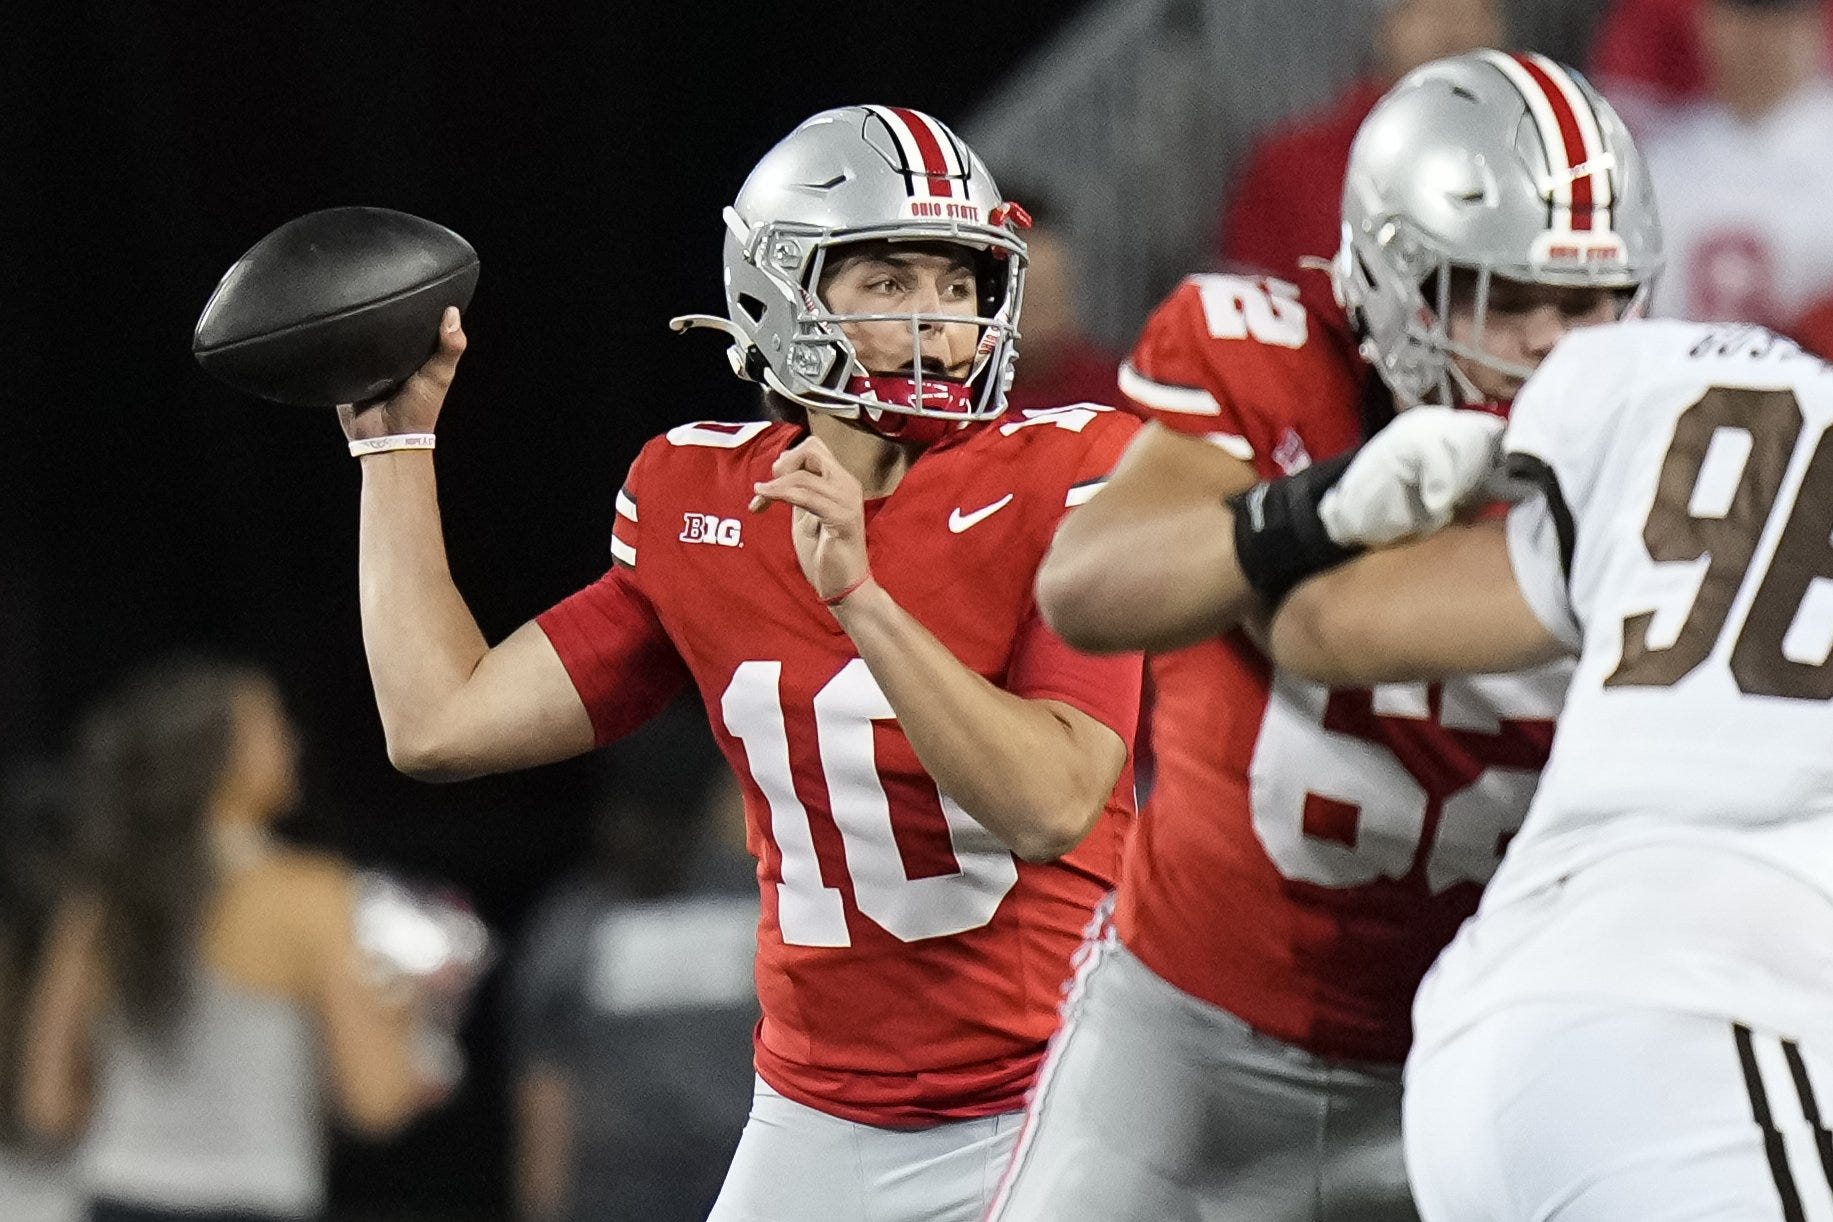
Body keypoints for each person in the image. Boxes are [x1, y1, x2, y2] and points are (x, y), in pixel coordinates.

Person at [335, 104, 1143, 1221]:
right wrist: (393, 444)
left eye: (959, 285)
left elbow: (1053, 800)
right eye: (892, 281)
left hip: (1060, 1088)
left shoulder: (1072, 472)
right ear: (780, 293)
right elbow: (439, 724)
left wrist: (863, 600)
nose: (940, 321)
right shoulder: (700, 501)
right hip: (819, 1108)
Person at [993, 52, 1663, 1221]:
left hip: (1483, 1064)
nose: (1563, 343)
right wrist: (1313, 508)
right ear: (1395, 280)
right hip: (1189, 1044)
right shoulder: (1268, 359)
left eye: (1593, 298)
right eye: (1509, 296)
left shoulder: (1671, 446)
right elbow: (1089, 587)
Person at [1265, 318, 1833, 1219]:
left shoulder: (1691, 400)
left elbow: (1320, 625)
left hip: (1498, 1039)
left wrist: (1308, 512)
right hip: (1708, 1031)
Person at [17, 655, 454, 1222]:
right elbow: (376, 1102)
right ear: (219, 759)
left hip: (116, 1197)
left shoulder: (100, 905)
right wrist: (420, 1019)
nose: (292, 742)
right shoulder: (310, 896)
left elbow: (48, 1107)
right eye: (272, 727)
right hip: (252, 1201)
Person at [508, 697, 758, 1222]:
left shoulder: (574, 921)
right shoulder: (764, 912)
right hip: (750, 1185)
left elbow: (546, 1089)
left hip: (621, 1193)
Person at [1216, 0, 1503, 292]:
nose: (1456, 31)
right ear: (1381, 26)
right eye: (1430, 9)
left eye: (1479, 10)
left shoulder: (1524, 169)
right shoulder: (1289, 168)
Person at [1641, 0, 1833, 331]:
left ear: (1814, 28)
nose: (1759, 40)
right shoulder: (1661, 162)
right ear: (1707, 24)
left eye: (1778, 21)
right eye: (1742, 17)